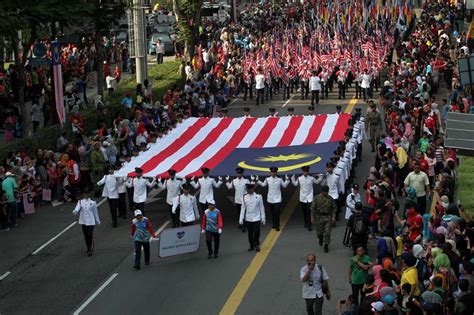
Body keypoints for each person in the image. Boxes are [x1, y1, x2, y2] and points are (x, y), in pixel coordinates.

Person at [256, 167, 289, 231]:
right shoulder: (268, 179)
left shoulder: (279, 179)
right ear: (270, 173)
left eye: (274, 172)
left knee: (277, 212)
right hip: (270, 198)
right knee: (272, 212)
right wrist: (257, 181)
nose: (273, 173)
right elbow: (263, 185)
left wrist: (287, 180)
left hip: (277, 198)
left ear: (276, 173)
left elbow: (284, 186)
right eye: (272, 172)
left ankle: (277, 225)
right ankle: (274, 224)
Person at [72, 189, 100, 256]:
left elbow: (95, 213)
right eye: (85, 194)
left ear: (89, 194)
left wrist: (97, 221)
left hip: (91, 221)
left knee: (90, 234)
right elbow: (77, 208)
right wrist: (75, 211)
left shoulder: (93, 203)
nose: (86, 195)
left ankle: (90, 249)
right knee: (86, 235)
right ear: (83, 194)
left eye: (87, 194)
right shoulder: (80, 202)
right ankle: (88, 248)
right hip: (83, 221)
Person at [292, 166, 320, 231]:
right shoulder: (300, 178)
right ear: (303, 172)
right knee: (304, 211)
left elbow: (317, 182)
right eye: (304, 172)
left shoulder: (311, 178)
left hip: (310, 197)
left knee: (309, 211)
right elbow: (295, 184)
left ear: (308, 172)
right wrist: (292, 178)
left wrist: (320, 177)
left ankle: (309, 225)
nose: (305, 173)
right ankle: (306, 222)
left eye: (306, 172)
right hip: (302, 197)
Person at [239, 183, 265, 252]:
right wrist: (241, 218)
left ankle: (257, 244)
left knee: (257, 232)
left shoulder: (258, 196)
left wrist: (263, 218)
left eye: (249, 189)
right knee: (250, 233)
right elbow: (243, 208)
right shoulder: (244, 197)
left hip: (256, 217)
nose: (248, 191)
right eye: (247, 189)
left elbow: (261, 207)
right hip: (248, 218)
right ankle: (251, 245)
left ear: (252, 189)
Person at [310, 186, 337, 253]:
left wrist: (333, 217)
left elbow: (334, 208)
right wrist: (312, 217)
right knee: (320, 232)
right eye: (324, 192)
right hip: (319, 217)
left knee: (327, 232)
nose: (325, 193)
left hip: (327, 217)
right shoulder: (316, 198)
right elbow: (312, 208)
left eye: (326, 192)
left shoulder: (330, 198)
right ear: (321, 191)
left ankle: (326, 245)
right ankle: (320, 238)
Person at [225, 167, 249, 232]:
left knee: (244, 213)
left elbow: (250, 188)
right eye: (238, 173)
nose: (239, 175)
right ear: (237, 174)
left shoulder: (246, 181)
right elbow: (229, 187)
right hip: (237, 199)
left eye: (240, 173)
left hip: (244, 199)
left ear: (242, 174)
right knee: (239, 212)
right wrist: (227, 181)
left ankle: (244, 225)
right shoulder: (234, 181)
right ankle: (240, 223)